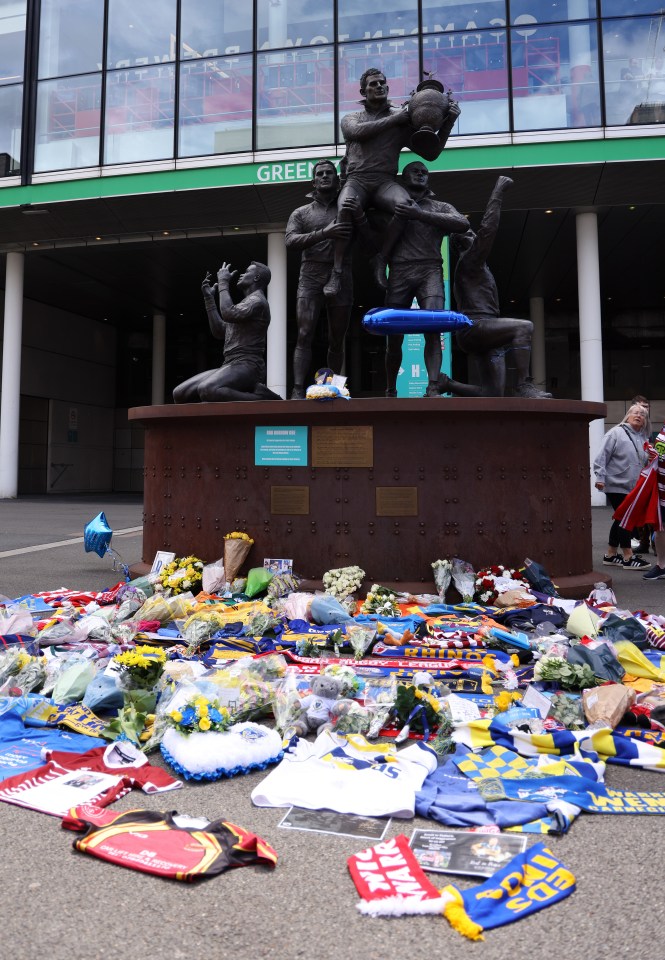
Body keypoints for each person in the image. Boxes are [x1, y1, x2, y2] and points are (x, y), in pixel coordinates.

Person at [324, 67, 460, 297]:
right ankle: (336, 272)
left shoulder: (402, 120)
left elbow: (431, 153)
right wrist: (396, 118)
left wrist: (448, 123)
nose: (379, 86)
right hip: (357, 180)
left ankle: (381, 259)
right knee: (345, 206)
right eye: (373, 84)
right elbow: (357, 132)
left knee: (406, 205)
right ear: (363, 91)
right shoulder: (353, 118)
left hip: (384, 181)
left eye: (382, 83)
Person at [437, 176, 551, 399]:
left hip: (485, 332)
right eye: (469, 235)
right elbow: (488, 230)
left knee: (493, 392)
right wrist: (497, 192)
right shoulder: (469, 260)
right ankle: (523, 385)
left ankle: (448, 384)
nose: (474, 237)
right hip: (476, 326)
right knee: (524, 327)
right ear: (462, 244)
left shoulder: (475, 266)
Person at [383, 160, 470, 397]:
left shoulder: (439, 206)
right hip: (399, 271)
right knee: (394, 338)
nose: (421, 175)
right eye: (415, 171)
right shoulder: (391, 204)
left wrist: (419, 214)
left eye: (424, 172)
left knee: (433, 329)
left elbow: (462, 223)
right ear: (403, 178)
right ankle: (391, 388)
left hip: (430, 270)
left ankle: (433, 386)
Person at [285, 160, 363, 399]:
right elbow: (290, 241)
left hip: (341, 275)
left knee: (337, 338)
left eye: (330, 173)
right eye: (320, 174)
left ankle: (334, 387)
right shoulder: (301, 212)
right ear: (314, 181)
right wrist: (324, 233)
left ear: (338, 179)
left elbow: (370, 239)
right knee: (304, 333)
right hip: (310, 275)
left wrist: (359, 214)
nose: (325, 176)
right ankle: (298, 390)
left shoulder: (347, 208)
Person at [173, 261, 282, 403]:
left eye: (247, 271)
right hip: (231, 364)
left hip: (249, 365)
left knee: (208, 390)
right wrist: (209, 299)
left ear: (256, 278)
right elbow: (219, 331)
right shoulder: (245, 304)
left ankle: (262, 397)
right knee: (180, 394)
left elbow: (228, 313)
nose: (242, 274)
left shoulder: (258, 301)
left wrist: (223, 283)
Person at [593, 404, 650, 570]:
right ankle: (627, 556)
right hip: (616, 483)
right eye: (636, 413)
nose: (639, 416)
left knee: (620, 518)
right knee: (625, 518)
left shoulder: (643, 437)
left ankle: (610, 554)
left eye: (643, 414)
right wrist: (600, 477)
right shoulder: (616, 433)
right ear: (628, 415)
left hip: (633, 486)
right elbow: (602, 456)